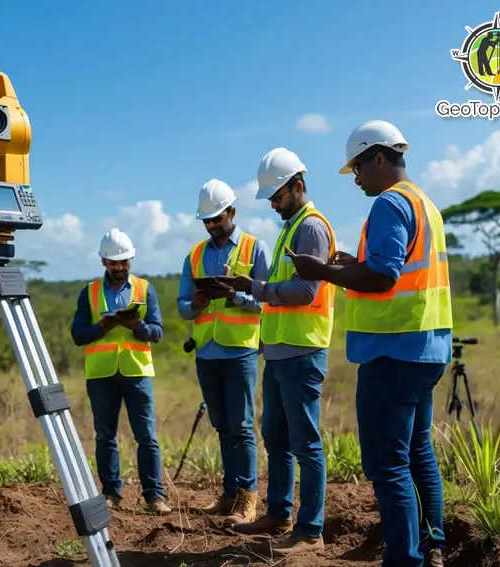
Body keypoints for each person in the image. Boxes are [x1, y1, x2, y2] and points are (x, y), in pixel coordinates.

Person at [286, 120, 451, 567]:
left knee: (387, 464)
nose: (355, 178)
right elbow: (391, 267)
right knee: (417, 453)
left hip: (391, 350)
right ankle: (432, 547)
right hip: (426, 348)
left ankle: (404, 559)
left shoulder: (389, 204)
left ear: (379, 157)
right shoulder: (425, 204)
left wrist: (323, 271)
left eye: (358, 168)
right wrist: (350, 266)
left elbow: (383, 276)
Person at [226, 148, 337, 556]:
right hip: (278, 352)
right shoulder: (291, 229)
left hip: (301, 350)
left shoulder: (311, 228)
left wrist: (254, 288)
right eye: (271, 198)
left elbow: (305, 292)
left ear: (298, 186)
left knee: (305, 442)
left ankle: (310, 532)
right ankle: (279, 514)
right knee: (275, 435)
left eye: (277, 196)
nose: (273, 204)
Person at [176, 179, 271, 527]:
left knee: (242, 426)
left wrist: (233, 296)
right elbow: (182, 306)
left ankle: (248, 500)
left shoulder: (254, 248)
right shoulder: (195, 255)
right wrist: (197, 303)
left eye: (217, 218)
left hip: (241, 350)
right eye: (206, 220)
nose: (212, 225)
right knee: (223, 427)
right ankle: (230, 494)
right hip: (207, 351)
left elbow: (267, 302)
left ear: (232, 211)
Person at [70, 228, 172, 515]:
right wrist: (103, 326)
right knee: (105, 436)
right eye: (113, 263)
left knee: (147, 436)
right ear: (103, 262)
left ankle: (154, 497)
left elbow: (157, 332)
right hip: (101, 374)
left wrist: (137, 326)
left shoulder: (144, 288)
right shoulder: (89, 292)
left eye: (124, 262)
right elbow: (78, 335)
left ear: (131, 260)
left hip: (137, 372)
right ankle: (111, 494)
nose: (119, 268)